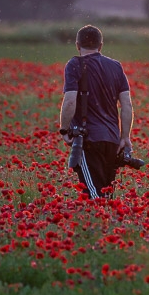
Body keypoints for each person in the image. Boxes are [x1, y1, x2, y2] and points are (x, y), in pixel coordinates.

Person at [59, 25, 134, 199]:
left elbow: (70, 100)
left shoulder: (75, 64)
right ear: (101, 45)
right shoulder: (116, 67)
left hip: (88, 139)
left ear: (77, 45)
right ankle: (108, 224)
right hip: (112, 139)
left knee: (94, 194)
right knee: (107, 194)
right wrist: (125, 137)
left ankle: (99, 223)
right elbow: (127, 105)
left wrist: (64, 129)